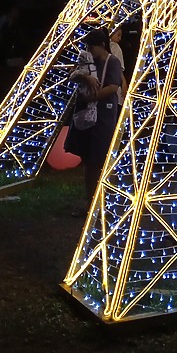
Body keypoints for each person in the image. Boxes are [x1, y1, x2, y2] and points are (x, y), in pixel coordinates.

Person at [64, 28, 122, 215]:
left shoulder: (112, 62)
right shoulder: (88, 58)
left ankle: (103, 202)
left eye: (92, 46)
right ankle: (91, 201)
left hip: (102, 115)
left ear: (102, 45)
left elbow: (113, 86)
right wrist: (85, 77)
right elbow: (72, 73)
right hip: (88, 114)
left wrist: (93, 96)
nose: (89, 49)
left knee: (100, 158)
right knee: (90, 159)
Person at [108, 25, 128, 106]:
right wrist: (124, 83)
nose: (119, 39)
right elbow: (118, 69)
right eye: (118, 35)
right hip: (113, 89)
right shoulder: (115, 47)